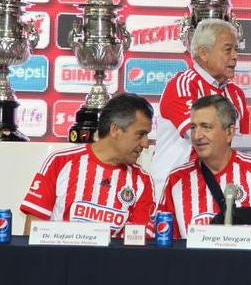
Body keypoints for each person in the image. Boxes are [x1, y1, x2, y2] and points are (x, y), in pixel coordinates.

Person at [151, 18, 251, 200]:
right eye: (228, 49)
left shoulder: (236, 94)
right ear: (204, 53)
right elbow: (200, 137)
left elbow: (240, 145)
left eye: (236, 50)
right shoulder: (182, 85)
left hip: (222, 191)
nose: (235, 56)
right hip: (177, 191)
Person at [21, 93, 156, 239]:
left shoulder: (142, 181)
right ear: (115, 130)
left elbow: (138, 244)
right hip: (58, 261)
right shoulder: (60, 162)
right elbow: (32, 233)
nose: (146, 144)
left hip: (113, 262)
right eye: (140, 134)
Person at [158, 95, 251, 239]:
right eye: (193, 127)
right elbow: (165, 242)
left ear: (229, 133)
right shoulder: (176, 179)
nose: (197, 136)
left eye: (206, 127)